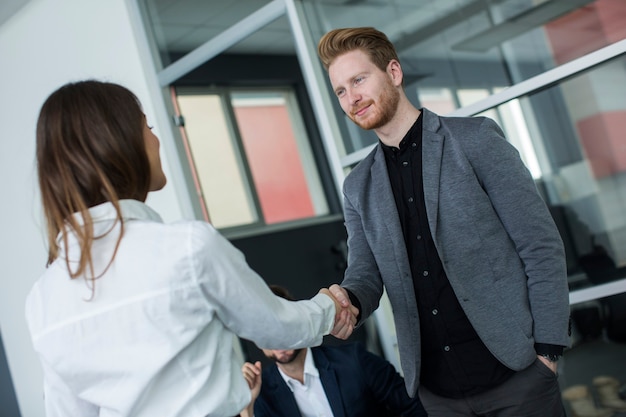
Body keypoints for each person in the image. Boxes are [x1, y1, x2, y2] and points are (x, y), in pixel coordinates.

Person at [25, 80, 356, 417]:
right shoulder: (186, 248)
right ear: (120, 144)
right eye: (148, 126)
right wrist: (329, 307)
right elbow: (277, 326)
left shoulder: (43, 298)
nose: (155, 139)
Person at [317, 27, 571, 416]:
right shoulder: (358, 186)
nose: (352, 98)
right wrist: (347, 302)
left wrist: (549, 351)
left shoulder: (475, 141)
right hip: (439, 396)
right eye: (340, 91)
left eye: (358, 80)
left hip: (517, 378)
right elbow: (365, 274)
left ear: (394, 73)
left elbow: (540, 246)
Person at [240, 285, 427, 417]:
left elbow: (412, 406)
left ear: (299, 322)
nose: (275, 339)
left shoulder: (354, 361)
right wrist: (247, 407)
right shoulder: (261, 392)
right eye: (264, 333)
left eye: (281, 326)